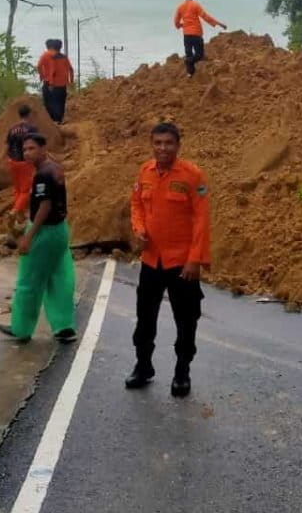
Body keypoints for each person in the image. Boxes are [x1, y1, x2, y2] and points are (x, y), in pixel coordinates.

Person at [126, 122, 211, 397]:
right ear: (152, 144)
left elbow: (201, 220)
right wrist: (138, 228)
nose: (163, 148)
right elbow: (136, 203)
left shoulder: (192, 176)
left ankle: (182, 371)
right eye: (158, 143)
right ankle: (143, 366)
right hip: (151, 261)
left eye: (168, 143)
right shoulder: (145, 171)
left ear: (178, 145)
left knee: (186, 321)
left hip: (181, 263)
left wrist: (195, 259)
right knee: (144, 319)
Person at [0, 132, 77, 344]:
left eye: (32, 148)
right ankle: (64, 327)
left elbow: (45, 205)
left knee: (29, 280)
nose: (27, 153)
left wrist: (28, 237)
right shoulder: (56, 168)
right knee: (60, 278)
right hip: (60, 229)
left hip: (44, 232)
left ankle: (21, 328)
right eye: (25, 149)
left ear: (43, 149)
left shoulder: (43, 174)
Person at [174, 0, 227, 77]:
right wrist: (219, 23)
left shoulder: (180, 7)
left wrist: (181, 26)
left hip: (186, 34)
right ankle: (189, 64)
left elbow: (176, 22)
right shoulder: (195, 5)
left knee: (189, 53)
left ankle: (190, 73)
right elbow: (205, 17)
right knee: (199, 55)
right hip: (196, 33)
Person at [4, 104, 39, 223]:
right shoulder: (32, 129)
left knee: (17, 189)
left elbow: (7, 146)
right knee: (25, 190)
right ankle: (14, 211)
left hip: (12, 161)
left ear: (19, 115)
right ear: (29, 114)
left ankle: (20, 215)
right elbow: (36, 146)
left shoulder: (12, 129)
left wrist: (3, 160)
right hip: (25, 162)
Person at [45, 39, 74, 124]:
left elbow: (52, 72)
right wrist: (71, 81)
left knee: (53, 103)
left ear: (53, 47)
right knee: (61, 102)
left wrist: (50, 83)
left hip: (54, 85)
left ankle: (54, 121)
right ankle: (60, 120)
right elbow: (71, 70)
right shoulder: (64, 58)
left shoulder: (52, 58)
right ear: (61, 47)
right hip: (63, 84)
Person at [37, 39, 57, 119]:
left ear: (47, 46)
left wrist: (41, 75)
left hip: (48, 81)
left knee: (47, 100)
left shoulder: (44, 55)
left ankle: (50, 119)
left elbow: (39, 66)